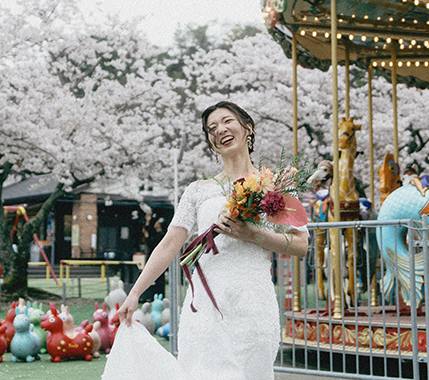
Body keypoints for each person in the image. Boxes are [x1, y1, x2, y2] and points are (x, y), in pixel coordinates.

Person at [105, 101, 309, 380]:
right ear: (211, 143)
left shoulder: (276, 186)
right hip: (206, 306)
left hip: (254, 305)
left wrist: (253, 235)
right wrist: (135, 293)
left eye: (227, 121)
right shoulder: (197, 191)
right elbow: (170, 243)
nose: (220, 130)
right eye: (211, 128)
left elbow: (301, 245)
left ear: (247, 128)